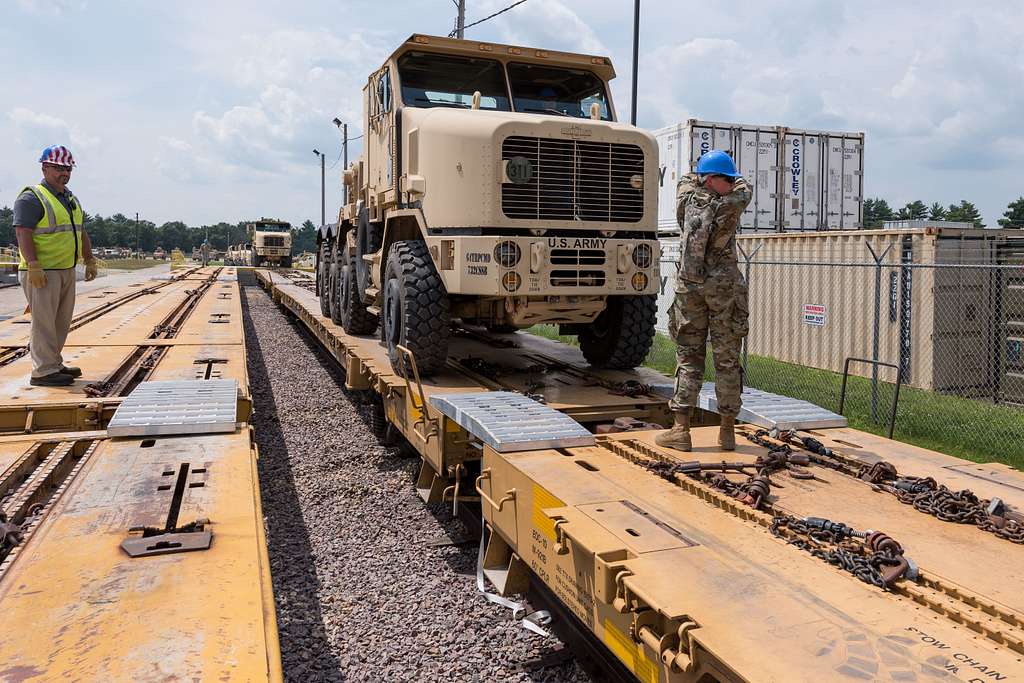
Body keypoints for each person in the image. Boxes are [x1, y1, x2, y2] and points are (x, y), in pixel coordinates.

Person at [656, 150, 752, 452]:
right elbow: (745, 187)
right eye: (726, 178)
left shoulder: (686, 201)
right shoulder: (733, 202)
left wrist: (700, 171)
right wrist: (731, 180)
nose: (731, 182)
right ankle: (726, 432)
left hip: (690, 287)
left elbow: (686, 180)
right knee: (726, 359)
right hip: (723, 290)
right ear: (714, 179)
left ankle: (680, 430)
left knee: (688, 357)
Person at [14, 145, 97, 387]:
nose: (64, 173)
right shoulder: (32, 197)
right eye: (58, 168)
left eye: (68, 168)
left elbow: (80, 231)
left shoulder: (69, 198)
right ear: (45, 167)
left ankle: (54, 363)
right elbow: (22, 232)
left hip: (64, 270)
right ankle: (42, 371)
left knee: (60, 321)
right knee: (43, 322)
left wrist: (89, 258)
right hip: (42, 271)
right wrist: (33, 265)